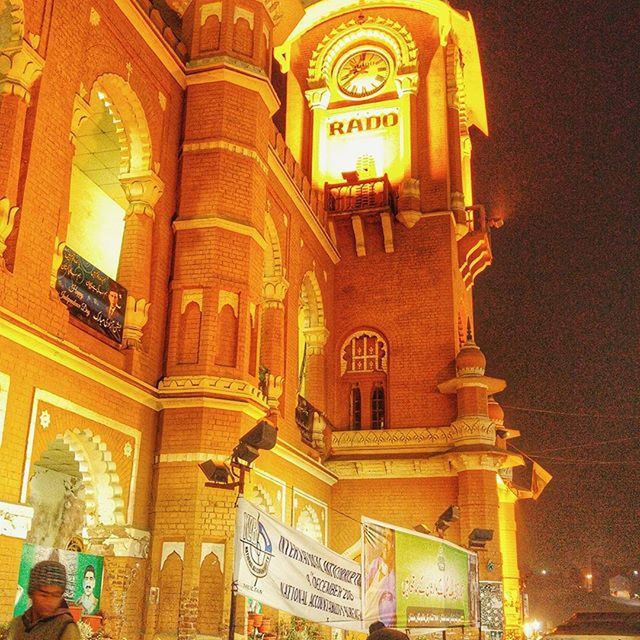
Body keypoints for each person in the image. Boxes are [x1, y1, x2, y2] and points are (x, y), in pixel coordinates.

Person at [8, 560, 81, 640]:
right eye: (44, 594)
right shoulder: (17, 625)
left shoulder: (66, 628)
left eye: (56, 595)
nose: (50, 601)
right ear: (31, 593)